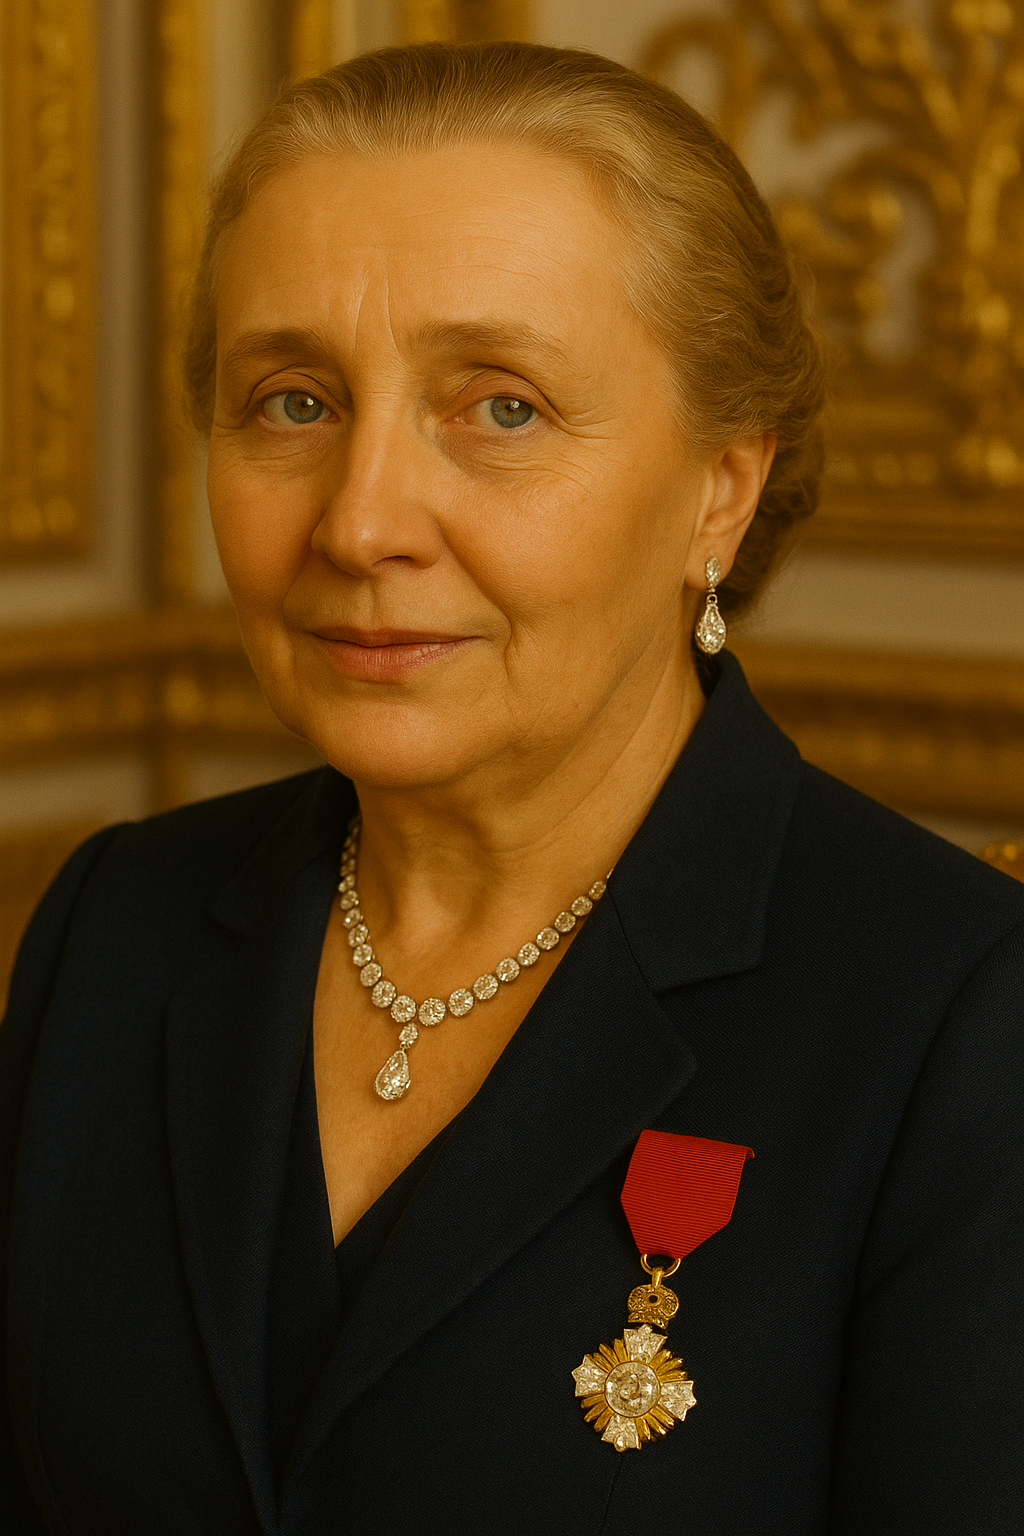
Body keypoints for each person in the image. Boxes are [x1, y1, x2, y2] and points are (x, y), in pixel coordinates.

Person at [2, 40, 1021, 1536]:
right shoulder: (116, 920)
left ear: (719, 489)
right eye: (292, 401)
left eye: (502, 409)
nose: (360, 522)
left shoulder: (960, 1025)